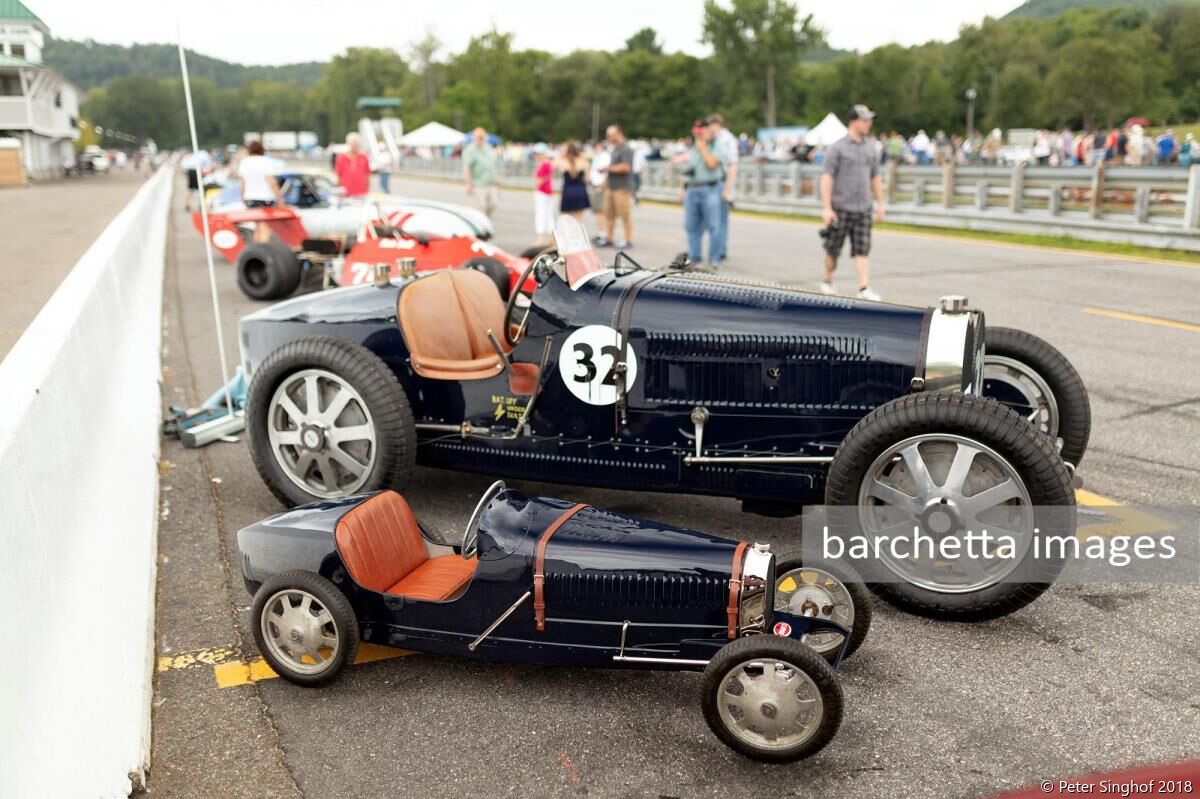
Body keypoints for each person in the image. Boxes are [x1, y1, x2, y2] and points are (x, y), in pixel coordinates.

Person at [818, 104, 885, 301]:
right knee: (833, 250)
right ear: (853, 121)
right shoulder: (838, 148)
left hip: (863, 207)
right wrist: (827, 208)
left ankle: (864, 287)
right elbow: (827, 177)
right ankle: (827, 280)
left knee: (862, 250)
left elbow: (875, 177)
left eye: (869, 120)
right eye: (864, 120)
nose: (868, 124)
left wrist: (880, 203)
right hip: (840, 207)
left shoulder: (871, 148)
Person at [681, 118, 725, 269]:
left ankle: (714, 258)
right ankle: (694, 257)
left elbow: (712, 164)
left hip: (710, 189)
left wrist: (703, 148)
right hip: (692, 188)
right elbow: (689, 170)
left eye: (701, 132)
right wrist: (683, 189)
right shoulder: (693, 148)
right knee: (691, 226)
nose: (698, 135)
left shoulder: (716, 146)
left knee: (714, 225)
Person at [706, 113, 739, 267]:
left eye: (711, 126)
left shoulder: (727, 140)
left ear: (717, 125)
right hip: (717, 181)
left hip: (723, 182)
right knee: (720, 219)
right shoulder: (715, 139)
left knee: (718, 220)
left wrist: (727, 189)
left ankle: (718, 251)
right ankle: (721, 248)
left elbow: (732, 165)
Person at [599, 125, 634, 249]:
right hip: (611, 187)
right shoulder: (614, 149)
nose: (609, 137)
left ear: (619, 133)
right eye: (608, 135)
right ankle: (609, 239)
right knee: (609, 214)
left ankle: (628, 240)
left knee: (625, 216)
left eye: (611, 135)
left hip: (622, 188)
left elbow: (626, 167)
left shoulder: (626, 148)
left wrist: (608, 168)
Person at [462, 127, 500, 219]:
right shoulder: (470, 150)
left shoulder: (488, 148)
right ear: (474, 138)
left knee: (493, 204)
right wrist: (468, 183)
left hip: (491, 182)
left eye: (482, 137)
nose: (480, 140)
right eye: (478, 137)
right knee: (481, 206)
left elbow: (493, 164)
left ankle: (486, 220)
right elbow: (467, 168)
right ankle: (482, 222)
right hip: (479, 183)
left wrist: (497, 177)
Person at [238, 139, 282, 209]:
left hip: (249, 199)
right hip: (266, 199)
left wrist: (242, 198)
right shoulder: (266, 161)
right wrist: (280, 199)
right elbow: (272, 182)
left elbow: (242, 185)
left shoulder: (244, 162)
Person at [557, 141, 590, 224]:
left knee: (567, 218)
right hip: (580, 190)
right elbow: (587, 178)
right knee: (578, 218)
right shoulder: (582, 161)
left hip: (568, 190)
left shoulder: (563, 162)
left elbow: (555, 165)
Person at [531, 143, 556, 247]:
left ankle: (540, 238)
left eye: (537, 154)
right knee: (549, 215)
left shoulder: (544, 164)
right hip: (549, 191)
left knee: (541, 214)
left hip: (542, 192)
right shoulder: (548, 164)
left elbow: (539, 180)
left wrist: (536, 184)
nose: (535, 156)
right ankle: (551, 238)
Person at [334, 133, 371, 197]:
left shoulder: (364, 157)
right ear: (348, 144)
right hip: (346, 194)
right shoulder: (341, 158)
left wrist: (368, 190)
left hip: (362, 193)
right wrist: (339, 192)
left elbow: (368, 175)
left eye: (356, 144)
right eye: (352, 144)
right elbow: (338, 177)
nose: (354, 146)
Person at [588, 142, 610, 240]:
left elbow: (607, 171)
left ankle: (604, 233)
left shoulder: (605, 156)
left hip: (601, 186)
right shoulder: (597, 156)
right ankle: (601, 232)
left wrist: (603, 185)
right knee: (598, 211)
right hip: (595, 185)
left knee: (601, 211)